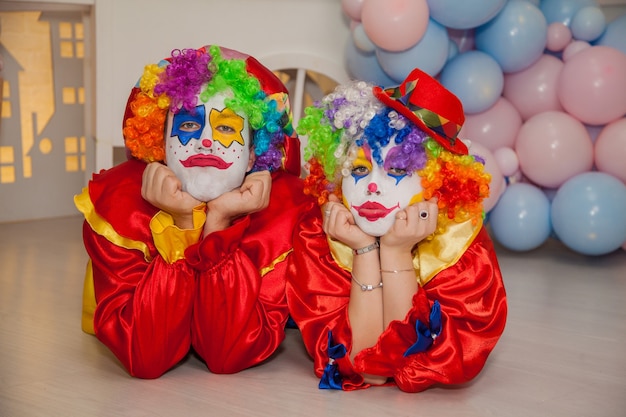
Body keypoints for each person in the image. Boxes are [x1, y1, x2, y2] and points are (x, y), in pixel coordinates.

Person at [74, 45, 315, 378]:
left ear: (251, 156)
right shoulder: (119, 209)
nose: (205, 141)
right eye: (188, 125)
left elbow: (226, 354)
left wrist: (217, 227)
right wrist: (181, 225)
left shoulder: (284, 217)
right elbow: (145, 356)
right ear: (159, 143)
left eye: (227, 128)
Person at [286, 68, 508, 392]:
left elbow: (409, 365)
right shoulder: (320, 231)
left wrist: (395, 252)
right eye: (360, 169)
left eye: (398, 169)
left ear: (437, 182)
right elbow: (367, 368)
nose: (373, 187)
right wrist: (364, 250)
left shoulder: (460, 244)